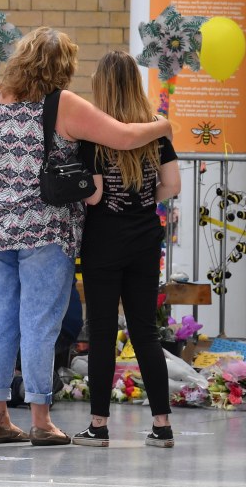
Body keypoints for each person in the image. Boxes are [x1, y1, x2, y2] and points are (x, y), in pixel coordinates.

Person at [0, 27, 172, 447]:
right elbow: (126, 136)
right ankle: (41, 419)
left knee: (2, 321)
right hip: (43, 229)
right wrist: (164, 124)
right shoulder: (60, 104)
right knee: (40, 323)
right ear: (63, 67)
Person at [72, 50, 181, 448]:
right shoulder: (155, 129)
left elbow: (96, 195)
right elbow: (171, 187)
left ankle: (98, 426)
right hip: (145, 240)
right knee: (146, 333)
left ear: (101, 85)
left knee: (101, 334)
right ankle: (162, 426)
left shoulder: (94, 132)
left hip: (103, 243)